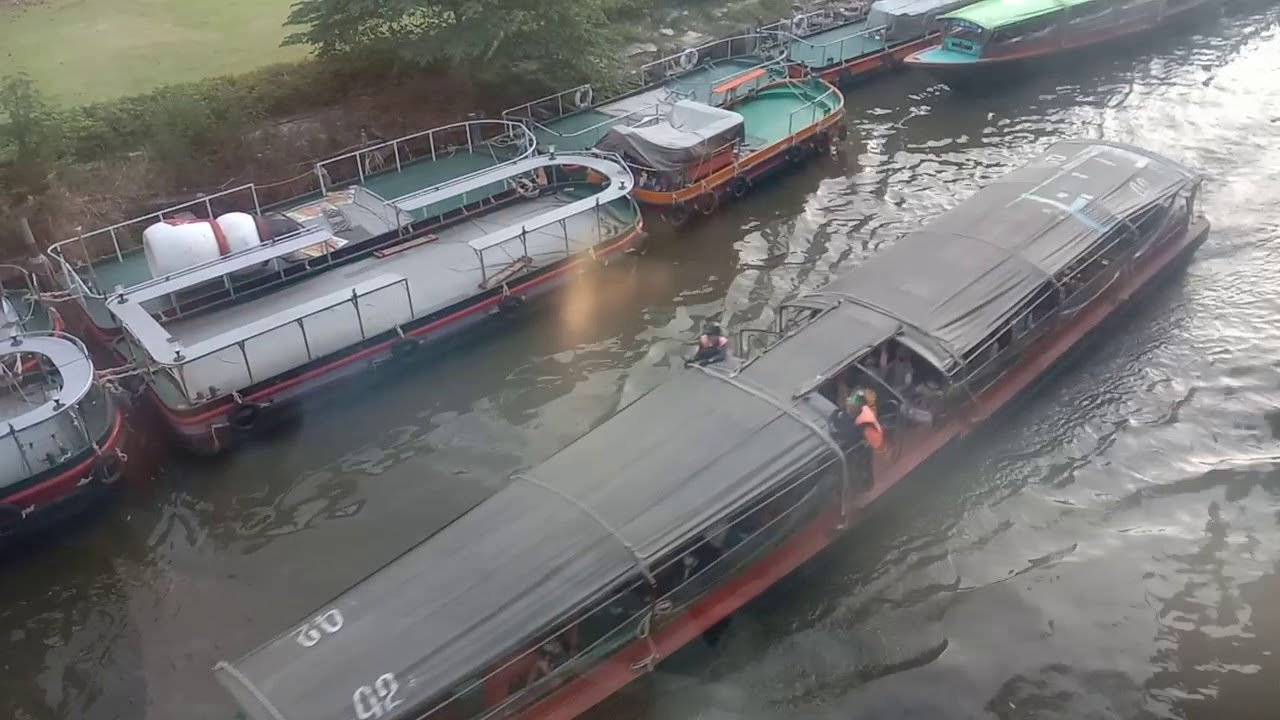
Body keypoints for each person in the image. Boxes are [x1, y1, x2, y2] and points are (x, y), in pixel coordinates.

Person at [846, 390, 885, 489]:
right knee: (864, 463)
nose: (849, 406)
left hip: (868, 442)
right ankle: (866, 482)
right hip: (867, 439)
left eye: (852, 404)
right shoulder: (861, 412)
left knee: (864, 463)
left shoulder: (864, 420)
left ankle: (868, 484)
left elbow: (859, 435)